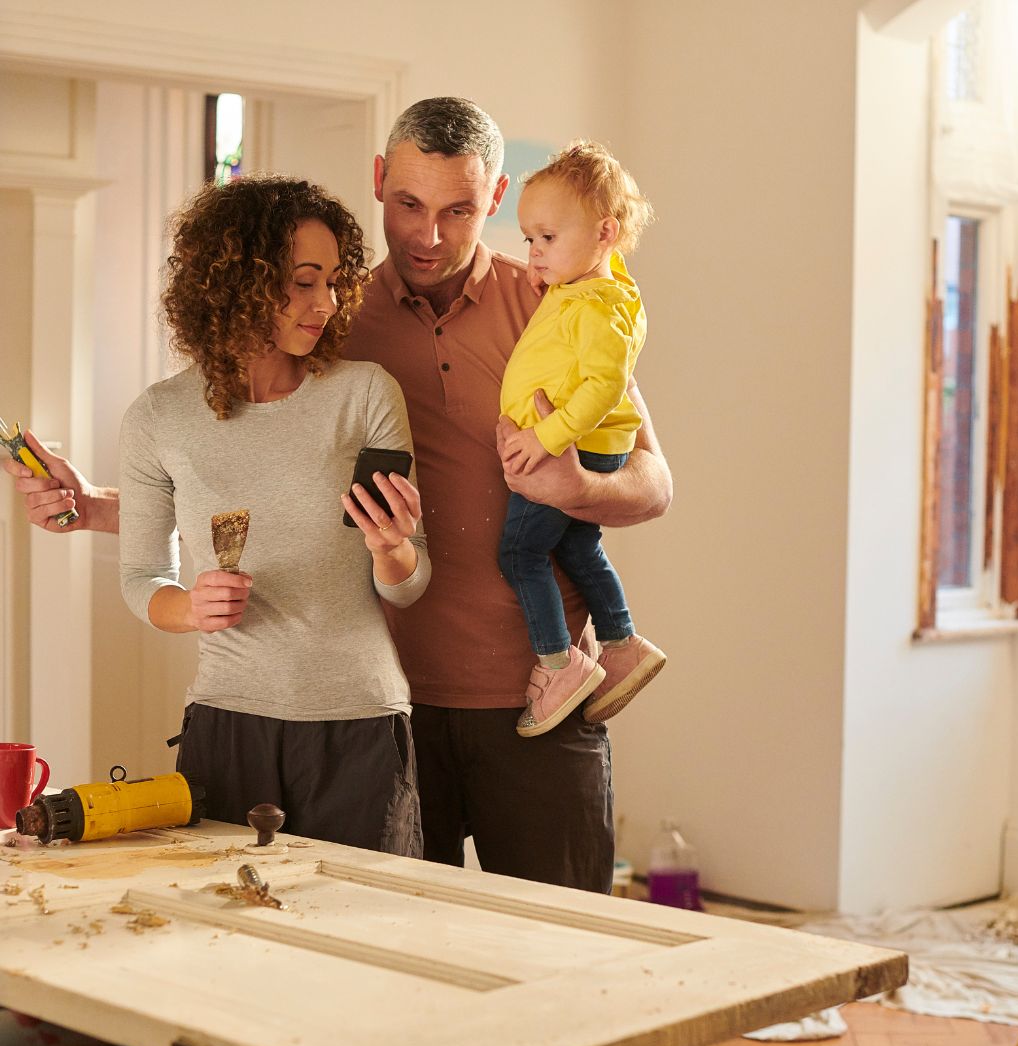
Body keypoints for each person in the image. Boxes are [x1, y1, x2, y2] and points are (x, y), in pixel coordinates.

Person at [4, 98, 671, 894]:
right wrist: (101, 506)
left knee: (567, 953)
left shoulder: (554, 300)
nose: (429, 234)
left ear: (492, 200)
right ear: (380, 183)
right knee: (386, 969)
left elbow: (651, 483)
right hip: (381, 709)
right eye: (409, 206)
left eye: (458, 210)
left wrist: (578, 485)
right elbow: (263, 482)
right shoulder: (329, 317)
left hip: (537, 696)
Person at [120, 175, 430, 854]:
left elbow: (409, 583)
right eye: (303, 282)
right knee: (225, 938)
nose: (329, 301)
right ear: (235, 284)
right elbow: (141, 576)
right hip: (227, 725)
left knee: (364, 939)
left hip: (360, 722)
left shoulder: (365, 395)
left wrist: (392, 549)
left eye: (335, 280)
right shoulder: (159, 418)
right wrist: (192, 607)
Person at [498, 141, 666, 738]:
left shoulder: (599, 305)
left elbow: (604, 385)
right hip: (583, 442)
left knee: (520, 553)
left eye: (548, 238)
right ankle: (621, 644)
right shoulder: (589, 288)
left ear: (604, 233)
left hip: (576, 448)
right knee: (577, 549)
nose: (535, 253)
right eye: (529, 240)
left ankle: (559, 664)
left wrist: (546, 437)